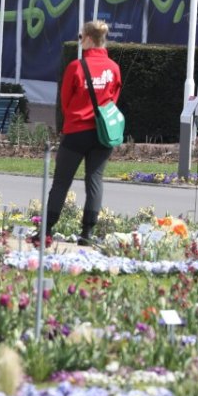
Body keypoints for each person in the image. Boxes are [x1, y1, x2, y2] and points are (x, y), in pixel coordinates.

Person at [42, 20, 122, 247]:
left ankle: (46, 229)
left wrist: (72, 120)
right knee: (95, 180)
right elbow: (113, 100)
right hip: (102, 134)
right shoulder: (113, 68)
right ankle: (87, 232)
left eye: (80, 37)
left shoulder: (76, 68)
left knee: (61, 182)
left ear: (87, 38)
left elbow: (65, 102)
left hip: (77, 131)